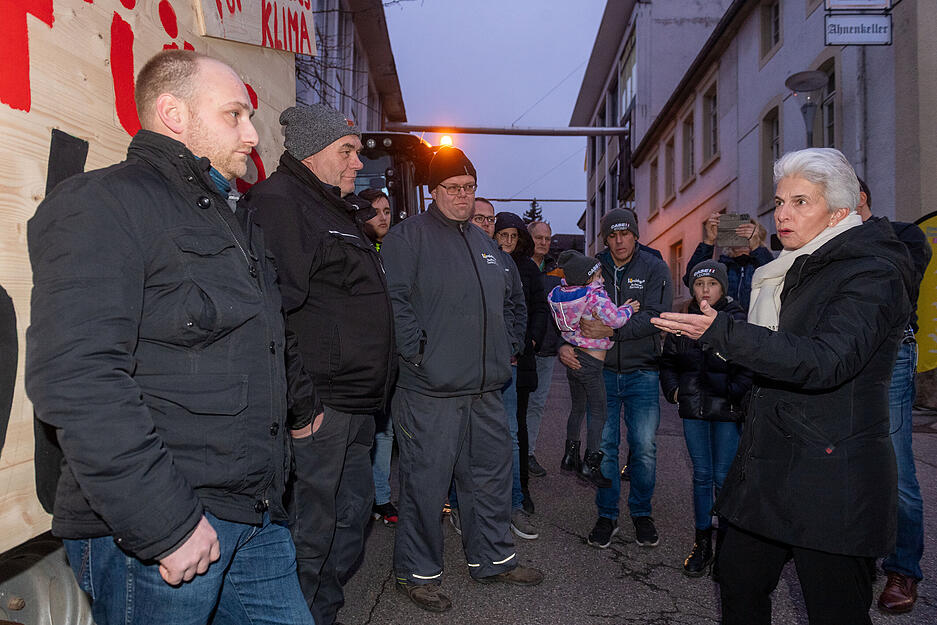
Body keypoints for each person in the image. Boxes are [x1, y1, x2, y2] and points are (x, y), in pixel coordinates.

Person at [25, 50, 314, 625]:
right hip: (161, 530)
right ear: (173, 114)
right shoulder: (104, 202)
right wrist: (165, 523)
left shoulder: (234, 218)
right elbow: (78, 378)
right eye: (234, 114)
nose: (253, 134)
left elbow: (260, 336)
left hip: (256, 516)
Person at [652, 148, 913, 625]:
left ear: (838, 211)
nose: (783, 214)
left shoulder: (873, 271)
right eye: (779, 202)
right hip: (769, 463)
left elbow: (826, 360)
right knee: (737, 582)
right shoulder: (792, 266)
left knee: (835, 608)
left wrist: (722, 334)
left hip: (831, 470)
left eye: (800, 201)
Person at [240, 103, 395, 625]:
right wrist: (303, 407)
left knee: (350, 521)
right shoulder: (282, 204)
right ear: (312, 152)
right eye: (346, 152)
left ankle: (319, 612)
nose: (358, 164)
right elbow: (270, 313)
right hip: (321, 408)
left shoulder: (332, 209)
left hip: (355, 406)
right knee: (312, 533)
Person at [381, 147, 543, 613]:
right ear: (434, 191)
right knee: (426, 485)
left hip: (485, 390)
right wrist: (418, 353)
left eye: (469, 188)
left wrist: (508, 346)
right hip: (429, 390)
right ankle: (417, 573)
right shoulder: (407, 238)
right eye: (452, 188)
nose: (462, 196)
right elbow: (393, 303)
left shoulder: (486, 244)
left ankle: (492, 558)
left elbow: (516, 302)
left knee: (490, 480)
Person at [559, 208, 673, 550]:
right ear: (605, 238)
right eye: (612, 235)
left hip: (643, 371)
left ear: (636, 235)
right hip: (601, 373)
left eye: (625, 234)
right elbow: (564, 309)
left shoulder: (654, 267)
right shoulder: (590, 268)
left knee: (644, 448)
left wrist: (613, 330)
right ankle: (606, 516)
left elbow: (657, 316)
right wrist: (564, 343)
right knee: (604, 448)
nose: (619, 241)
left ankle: (641, 513)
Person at [855, 178, 931, 614]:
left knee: (898, 469)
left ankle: (903, 568)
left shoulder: (904, 235)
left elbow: (896, 280)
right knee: (851, 462)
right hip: (843, 354)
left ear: (859, 198)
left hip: (891, 357)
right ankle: (859, 552)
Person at [659, 260, 750, 577]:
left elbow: (747, 362)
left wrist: (733, 392)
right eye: (699, 284)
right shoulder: (684, 318)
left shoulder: (736, 317)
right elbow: (668, 361)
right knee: (701, 475)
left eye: (711, 284)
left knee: (723, 477)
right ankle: (702, 543)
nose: (705, 290)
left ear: (722, 287)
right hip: (694, 410)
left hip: (725, 411)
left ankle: (726, 546)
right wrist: (673, 391)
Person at [548, 249, 637, 487]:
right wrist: (629, 309)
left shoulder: (565, 296)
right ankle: (590, 464)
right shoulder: (595, 297)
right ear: (588, 278)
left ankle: (570, 456)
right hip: (592, 363)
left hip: (575, 359)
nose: (602, 279)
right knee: (599, 411)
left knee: (577, 408)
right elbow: (616, 320)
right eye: (598, 275)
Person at [494, 211, 548, 533]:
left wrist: (529, 339)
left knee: (519, 429)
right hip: (491, 359)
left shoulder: (528, 267)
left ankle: (521, 490)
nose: (509, 242)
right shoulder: (487, 262)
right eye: (504, 236)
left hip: (521, 358)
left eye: (514, 236)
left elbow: (539, 308)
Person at [358, 188, 399, 527]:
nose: (383, 217)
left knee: (387, 432)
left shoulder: (397, 250)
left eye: (387, 210)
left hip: (395, 355)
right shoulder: (357, 247)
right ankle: (364, 498)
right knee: (367, 432)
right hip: (367, 356)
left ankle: (382, 496)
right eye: (375, 211)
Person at [526, 220, 562, 478]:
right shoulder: (518, 265)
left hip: (547, 348)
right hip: (522, 347)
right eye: (538, 237)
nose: (543, 242)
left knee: (536, 404)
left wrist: (561, 344)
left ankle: (528, 452)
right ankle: (510, 451)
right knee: (515, 403)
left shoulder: (557, 271)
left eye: (547, 238)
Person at [682, 212, 773, 311]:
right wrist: (709, 241)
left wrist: (756, 247)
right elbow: (691, 278)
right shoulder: (722, 267)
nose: (742, 239)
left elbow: (774, 278)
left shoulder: (763, 262)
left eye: (746, 234)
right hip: (725, 322)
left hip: (757, 322)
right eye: (736, 234)